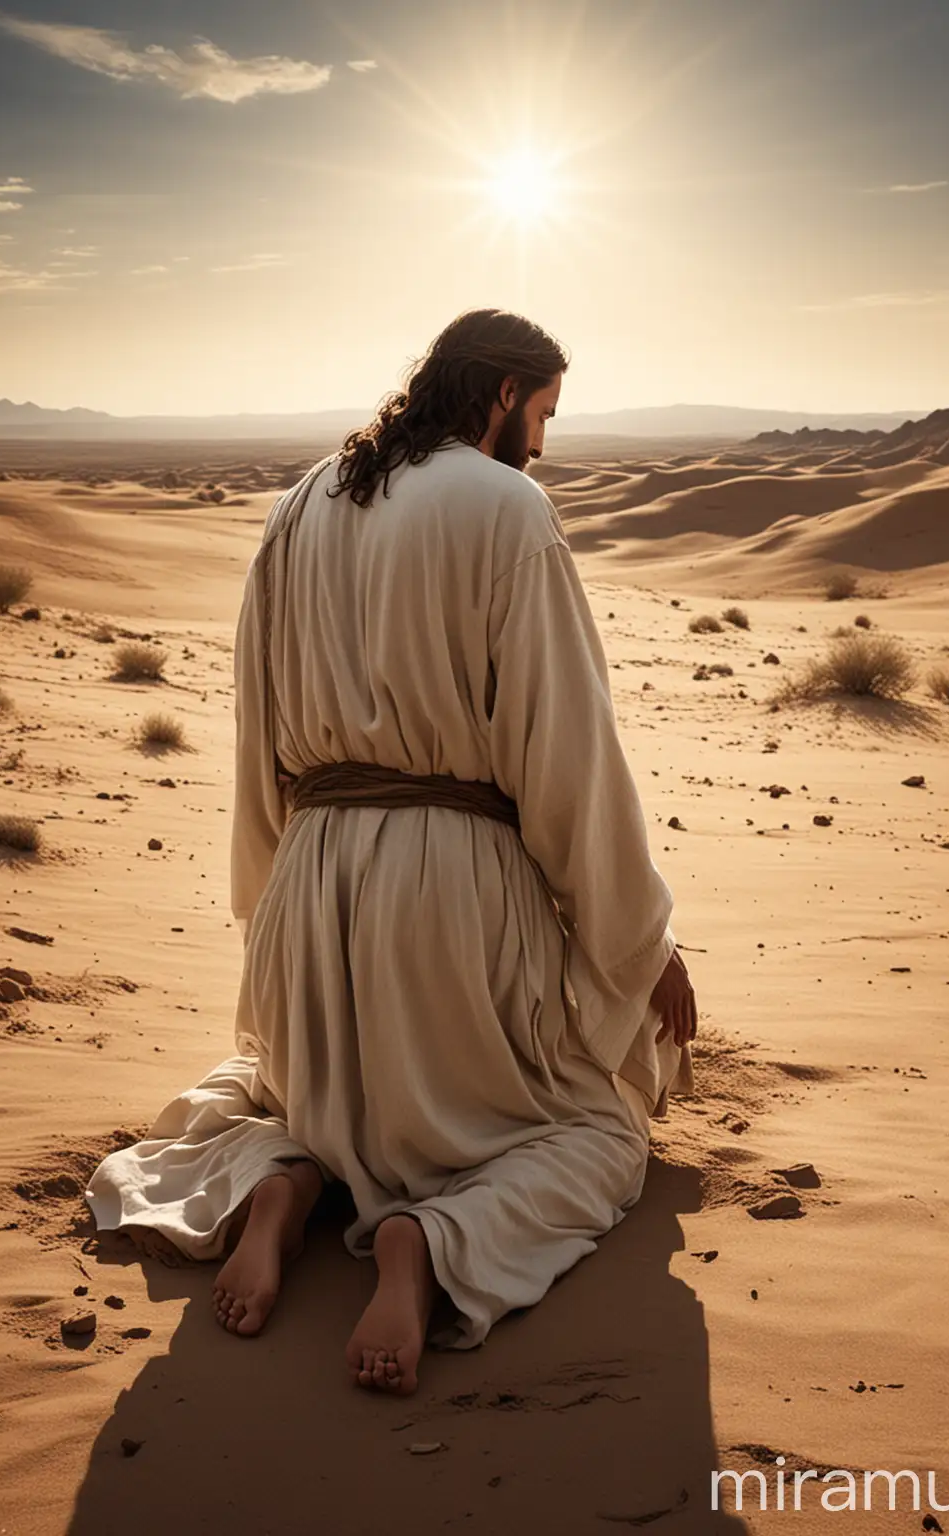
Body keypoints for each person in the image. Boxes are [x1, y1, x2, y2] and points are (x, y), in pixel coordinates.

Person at [84, 308, 696, 1396]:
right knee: (600, 1132)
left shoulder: (297, 506)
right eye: (545, 414)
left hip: (312, 884)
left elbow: (258, 733)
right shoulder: (510, 509)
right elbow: (568, 757)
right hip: (450, 894)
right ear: (502, 393)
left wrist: (281, 905)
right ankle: (433, 1244)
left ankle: (284, 1178)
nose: (546, 444)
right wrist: (639, 942)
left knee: (288, 1093)